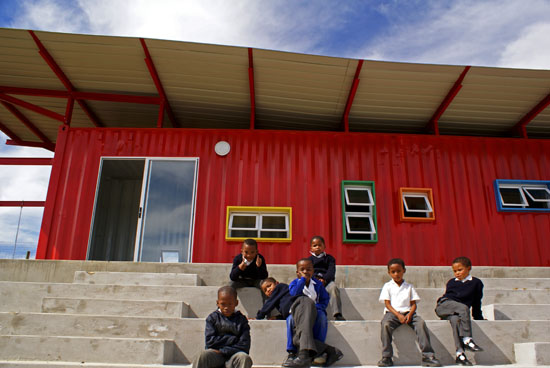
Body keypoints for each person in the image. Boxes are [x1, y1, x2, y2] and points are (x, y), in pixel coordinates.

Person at [378, 258, 441, 367]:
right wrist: (398, 315)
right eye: (393, 272)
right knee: (385, 325)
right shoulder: (387, 286)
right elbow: (387, 304)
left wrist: (409, 315)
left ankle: (428, 356)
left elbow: (413, 304)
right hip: (392, 314)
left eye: (399, 271)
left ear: (404, 270)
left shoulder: (409, 287)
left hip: (408, 313)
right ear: (389, 273)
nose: (396, 274)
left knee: (420, 323)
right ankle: (386, 357)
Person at [283, 258, 343, 368]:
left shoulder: (318, 285)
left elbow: (325, 299)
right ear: (297, 272)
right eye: (302, 270)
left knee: (321, 316)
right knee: (290, 319)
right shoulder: (294, 283)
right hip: (298, 312)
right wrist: (302, 281)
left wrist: (317, 308)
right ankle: (293, 352)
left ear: (313, 271)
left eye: (309, 269)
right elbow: (295, 294)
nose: (306, 272)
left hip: (315, 311)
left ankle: (311, 352)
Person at [435, 256, 484, 366]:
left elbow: (476, 302)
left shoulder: (476, 283)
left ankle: (460, 354)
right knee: (463, 307)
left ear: (469, 268)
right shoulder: (452, 282)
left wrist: (478, 317)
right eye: (454, 271)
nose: (457, 273)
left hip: (457, 312)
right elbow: (451, 298)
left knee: (456, 320)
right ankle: (467, 339)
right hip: (444, 305)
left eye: (460, 270)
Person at [192, 286, 252, 368]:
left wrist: (223, 351)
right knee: (202, 356)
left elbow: (244, 345)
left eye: (230, 304)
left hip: (234, 355)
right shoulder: (212, 318)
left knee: (244, 357)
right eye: (223, 304)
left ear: (236, 303)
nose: (226, 307)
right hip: (216, 356)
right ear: (217, 303)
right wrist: (233, 339)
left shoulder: (242, 320)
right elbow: (210, 342)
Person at [308, 235, 345, 321]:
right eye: (315, 245)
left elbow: (331, 271)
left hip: (327, 282)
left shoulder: (329, 259)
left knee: (334, 288)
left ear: (324, 246)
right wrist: (315, 279)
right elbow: (308, 272)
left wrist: (324, 280)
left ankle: (337, 314)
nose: (317, 247)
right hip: (313, 282)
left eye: (320, 245)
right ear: (311, 248)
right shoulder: (309, 260)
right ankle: (310, 313)